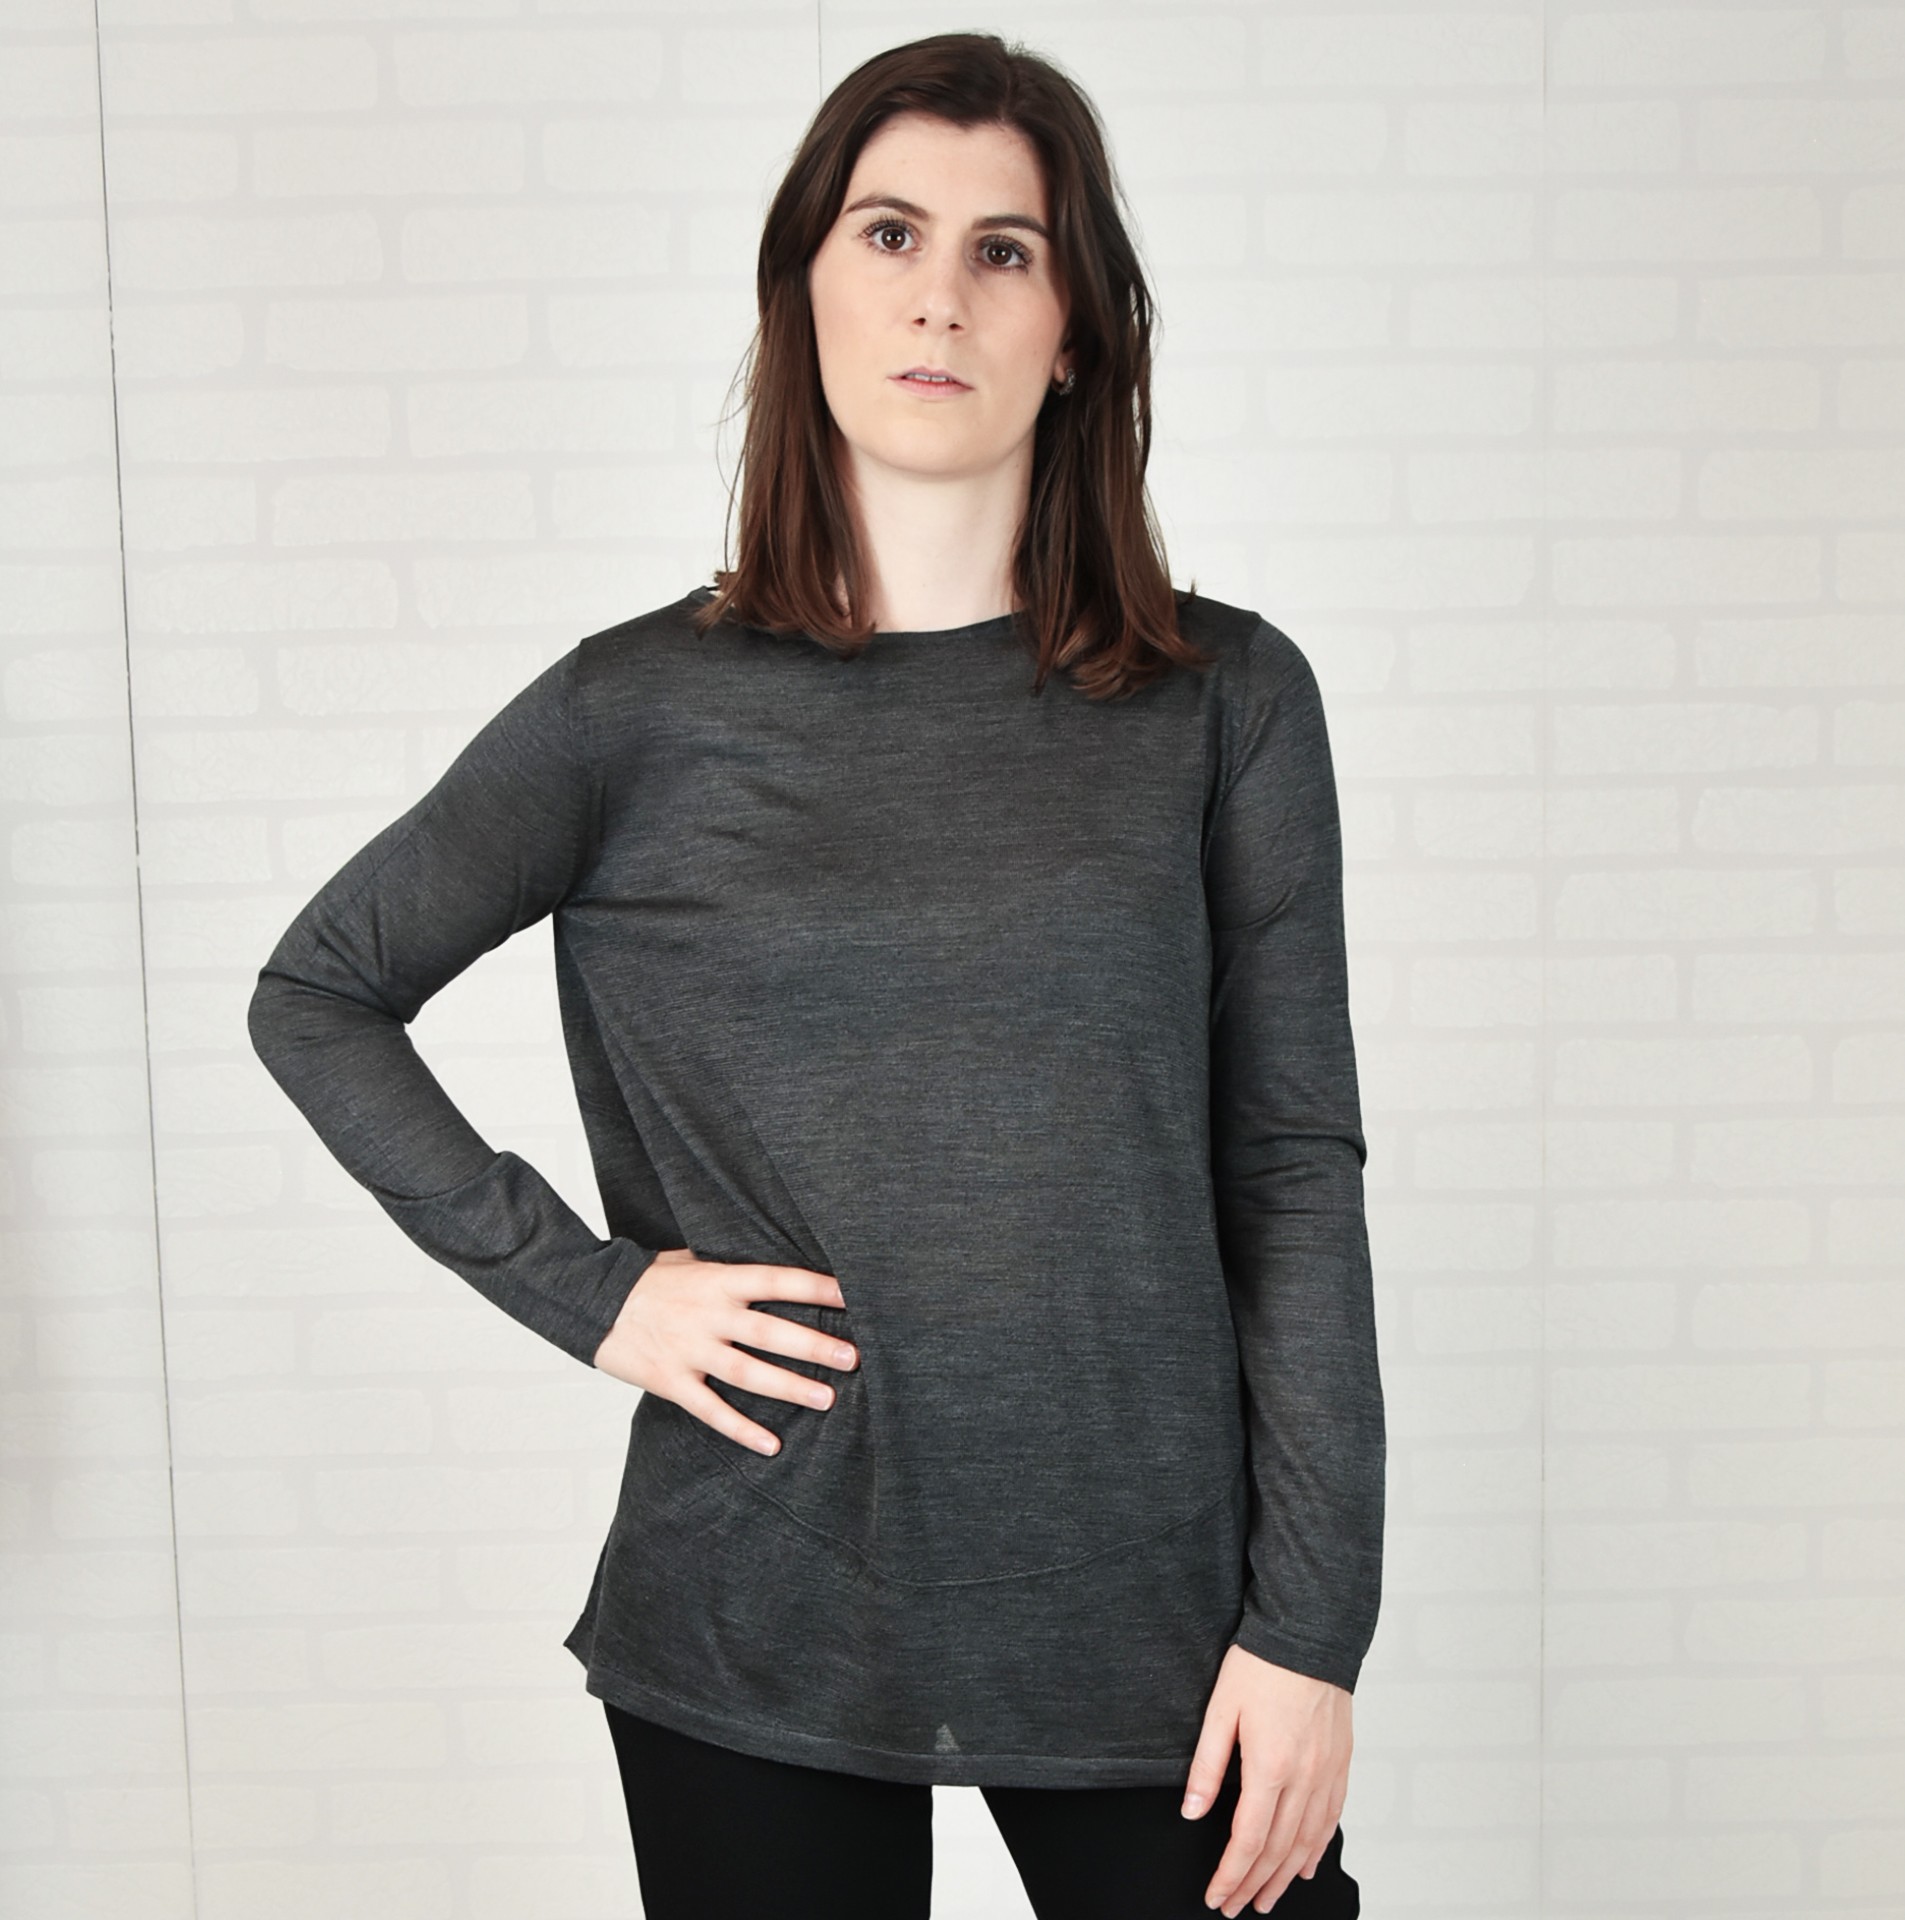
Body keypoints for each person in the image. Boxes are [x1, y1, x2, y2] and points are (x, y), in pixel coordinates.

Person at [247, 30, 1383, 1920]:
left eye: (1005, 250)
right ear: (805, 286)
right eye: (889, 233)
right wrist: (597, 1297)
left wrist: (1313, 1629)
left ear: (1074, 331)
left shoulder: (1224, 702)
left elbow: (1288, 1172)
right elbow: (318, 992)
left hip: (1163, 1627)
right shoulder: (632, 711)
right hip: (752, 1602)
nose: (940, 295)